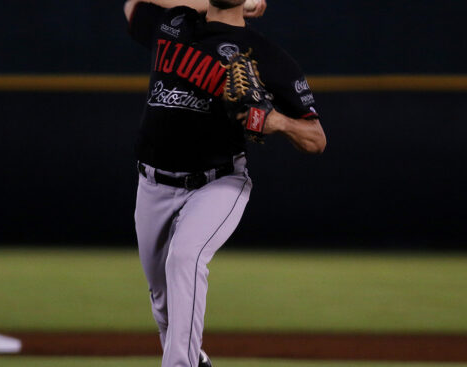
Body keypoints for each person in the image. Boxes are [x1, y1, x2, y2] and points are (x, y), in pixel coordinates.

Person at [123, 0, 326, 366]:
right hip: (152, 183)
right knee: (164, 302)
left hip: (217, 184)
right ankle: (196, 360)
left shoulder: (266, 56)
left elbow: (316, 138)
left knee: (185, 258)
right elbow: (132, 5)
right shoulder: (175, 23)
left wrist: (276, 121)